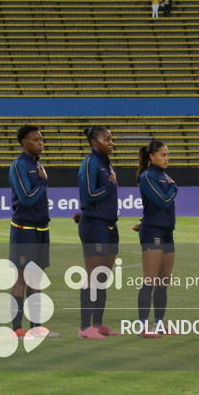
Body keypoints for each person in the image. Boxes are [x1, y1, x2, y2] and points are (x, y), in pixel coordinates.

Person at [9, 125, 59, 339]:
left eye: (41, 139)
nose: (41, 143)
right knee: (21, 278)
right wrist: (42, 181)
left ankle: (36, 327)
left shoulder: (37, 165)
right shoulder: (19, 165)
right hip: (24, 229)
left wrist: (41, 179)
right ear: (24, 143)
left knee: (36, 279)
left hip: (41, 228)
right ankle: (17, 328)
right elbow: (27, 198)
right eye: (36, 139)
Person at [75, 126, 121, 340]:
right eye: (106, 139)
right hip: (95, 225)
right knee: (93, 276)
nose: (111, 142)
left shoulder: (106, 163)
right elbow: (88, 194)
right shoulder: (90, 163)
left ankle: (98, 324)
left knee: (103, 277)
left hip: (109, 225)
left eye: (111, 139)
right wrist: (109, 187)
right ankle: (85, 327)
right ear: (94, 143)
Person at [133, 140, 177, 338]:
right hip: (153, 233)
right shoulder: (148, 176)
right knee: (150, 280)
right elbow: (163, 200)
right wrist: (174, 188)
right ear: (152, 156)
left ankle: (159, 324)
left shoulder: (165, 176)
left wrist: (171, 186)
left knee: (163, 282)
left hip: (167, 232)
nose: (166, 158)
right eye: (162, 154)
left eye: (168, 154)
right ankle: (143, 327)